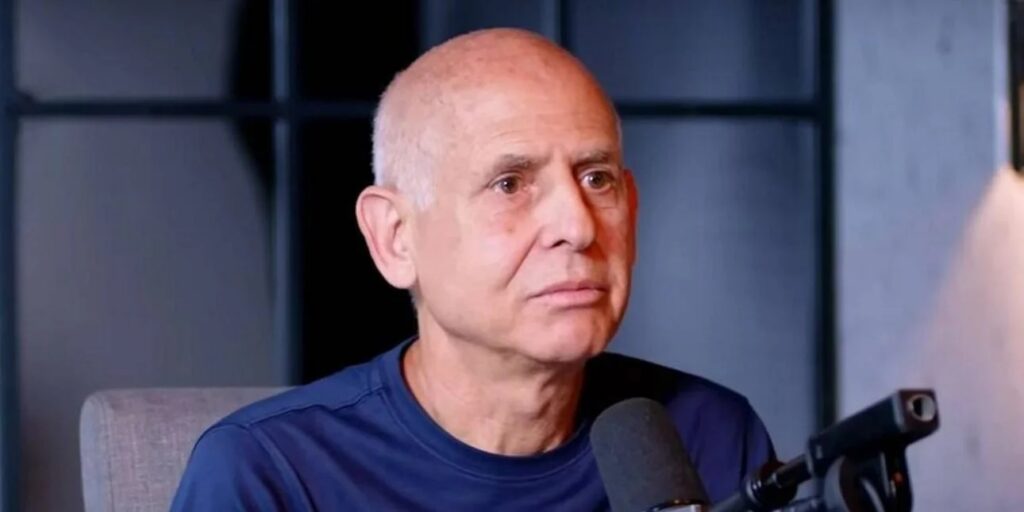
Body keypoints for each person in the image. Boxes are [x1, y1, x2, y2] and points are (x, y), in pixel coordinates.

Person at [170, 27, 776, 511]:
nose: (579, 225)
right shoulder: (269, 473)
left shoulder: (708, 435)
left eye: (597, 179)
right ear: (395, 238)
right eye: (510, 184)